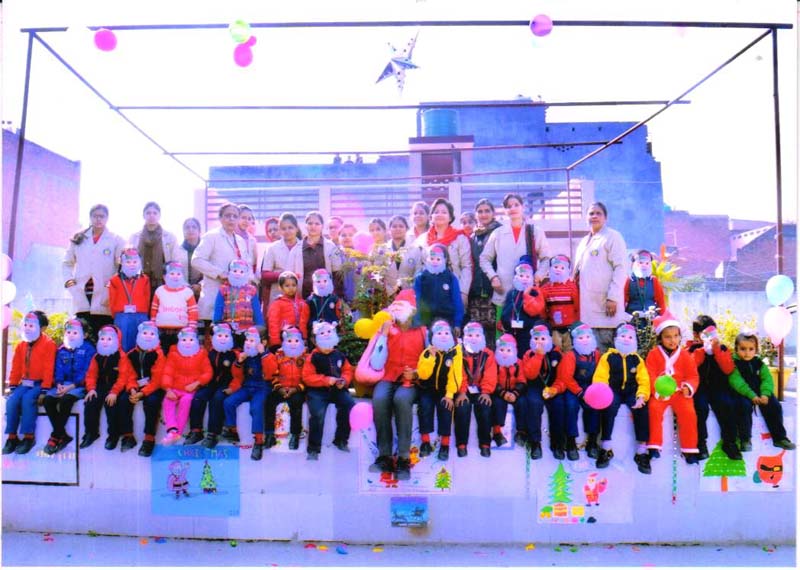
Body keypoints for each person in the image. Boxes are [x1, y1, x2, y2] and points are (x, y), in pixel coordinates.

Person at [367, 290, 427, 479]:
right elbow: (376, 363)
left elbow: (431, 360)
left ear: (412, 310)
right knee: (379, 398)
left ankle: (403, 459)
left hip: (413, 381)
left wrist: (417, 373)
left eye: (402, 306)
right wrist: (383, 336)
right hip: (388, 376)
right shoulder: (387, 328)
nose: (397, 310)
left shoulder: (423, 330)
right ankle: (384, 456)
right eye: (395, 306)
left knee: (401, 399)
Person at [479, 193, 551, 334]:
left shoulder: (534, 232)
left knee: (527, 338)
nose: (512, 208)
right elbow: (484, 258)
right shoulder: (498, 233)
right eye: (508, 206)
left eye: (516, 205)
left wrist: (539, 275)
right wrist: (493, 277)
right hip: (503, 293)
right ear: (504, 210)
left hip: (528, 297)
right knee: (504, 339)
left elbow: (546, 258)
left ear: (522, 207)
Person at [592, 323, 651, 473]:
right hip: (613, 391)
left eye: (630, 337)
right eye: (623, 336)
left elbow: (644, 380)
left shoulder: (637, 359)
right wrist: (603, 392)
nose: (626, 339)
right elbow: (601, 377)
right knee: (609, 408)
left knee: (642, 409)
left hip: (632, 391)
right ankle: (606, 447)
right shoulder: (607, 357)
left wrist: (642, 395)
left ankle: (642, 450)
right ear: (616, 339)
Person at [62, 204, 126, 340]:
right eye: (95, 216)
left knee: (102, 338)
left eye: (102, 216)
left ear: (107, 218)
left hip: (104, 295)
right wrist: (69, 282)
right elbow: (67, 263)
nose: (98, 219)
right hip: (81, 293)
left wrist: (112, 286)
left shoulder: (116, 240)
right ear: (90, 217)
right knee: (82, 337)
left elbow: (121, 266)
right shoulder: (78, 238)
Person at [685, 316, 744, 460]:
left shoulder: (722, 348)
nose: (710, 337)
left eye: (713, 333)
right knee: (700, 407)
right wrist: (702, 350)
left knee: (727, 404)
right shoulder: (691, 349)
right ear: (696, 335)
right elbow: (689, 367)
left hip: (718, 387)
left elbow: (728, 369)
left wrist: (717, 350)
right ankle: (700, 443)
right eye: (706, 334)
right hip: (699, 388)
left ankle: (729, 442)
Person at [645, 313, 700, 464]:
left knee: (688, 412)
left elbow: (693, 375)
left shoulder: (685, 355)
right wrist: (657, 391)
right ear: (660, 338)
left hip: (679, 393)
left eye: (676, 336)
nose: (672, 340)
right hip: (661, 393)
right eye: (668, 337)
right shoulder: (653, 354)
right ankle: (654, 446)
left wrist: (688, 387)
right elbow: (650, 374)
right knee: (654, 410)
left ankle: (689, 449)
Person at [572, 202, 628, 352]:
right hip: (587, 309)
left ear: (605, 218)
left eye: (598, 213)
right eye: (591, 213)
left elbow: (621, 268)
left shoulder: (612, 237)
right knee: (590, 355)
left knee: (608, 355)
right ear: (586, 217)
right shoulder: (584, 242)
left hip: (606, 307)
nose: (594, 216)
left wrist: (613, 297)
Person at [728, 332, 795, 451]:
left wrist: (765, 394)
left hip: (760, 392)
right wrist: (752, 395)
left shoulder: (759, 363)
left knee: (774, 405)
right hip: (742, 393)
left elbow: (767, 379)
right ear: (736, 349)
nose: (747, 353)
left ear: (756, 350)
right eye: (743, 349)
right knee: (743, 406)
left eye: (751, 349)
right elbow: (737, 382)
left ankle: (779, 438)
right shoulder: (733, 364)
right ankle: (745, 439)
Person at [3, 311, 56, 455]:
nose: (27, 328)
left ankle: (28, 437)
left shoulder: (49, 344)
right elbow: (16, 367)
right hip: (25, 383)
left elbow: (49, 368)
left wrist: (45, 389)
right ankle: (12, 437)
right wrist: (13, 385)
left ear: (42, 328)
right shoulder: (21, 345)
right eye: (25, 325)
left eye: (31, 325)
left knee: (28, 400)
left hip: (40, 384)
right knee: (12, 401)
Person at [192, 203, 250, 331]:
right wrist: (219, 273)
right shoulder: (211, 236)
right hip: (213, 296)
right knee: (213, 338)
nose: (231, 219)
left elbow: (247, 266)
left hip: (236, 302)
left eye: (235, 216)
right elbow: (196, 260)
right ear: (220, 218)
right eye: (227, 216)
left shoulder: (240, 241)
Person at [301, 321, 355, 460]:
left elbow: (348, 370)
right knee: (317, 414)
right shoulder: (312, 357)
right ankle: (313, 448)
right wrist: (325, 380)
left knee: (349, 405)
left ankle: (341, 440)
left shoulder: (339, 355)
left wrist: (344, 381)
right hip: (317, 391)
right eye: (322, 336)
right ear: (316, 341)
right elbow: (307, 377)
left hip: (337, 389)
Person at [223, 327, 277, 461]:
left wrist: (263, 354)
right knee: (228, 402)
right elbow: (236, 375)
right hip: (247, 386)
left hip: (262, 387)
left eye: (252, 340)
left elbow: (270, 372)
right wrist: (239, 362)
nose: (248, 343)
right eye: (247, 340)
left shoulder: (269, 355)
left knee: (256, 408)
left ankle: (258, 441)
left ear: (263, 342)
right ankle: (232, 430)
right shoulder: (245, 355)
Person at [43, 318, 94, 455]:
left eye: (75, 333)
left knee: (66, 401)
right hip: (62, 385)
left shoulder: (89, 349)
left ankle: (55, 435)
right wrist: (59, 384)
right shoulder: (61, 350)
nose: (71, 335)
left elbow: (88, 372)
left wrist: (71, 387)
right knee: (48, 400)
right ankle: (62, 434)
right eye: (68, 332)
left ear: (85, 335)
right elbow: (58, 369)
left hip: (79, 386)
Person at [551, 323, 601, 461]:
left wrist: (593, 390)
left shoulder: (597, 355)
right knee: (571, 406)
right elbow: (567, 378)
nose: (585, 340)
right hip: (572, 388)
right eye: (581, 338)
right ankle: (571, 442)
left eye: (587, 337)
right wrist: (580, 392)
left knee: (594, 407)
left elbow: (600, 374)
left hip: (590, 387)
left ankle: (592, 442)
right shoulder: (570, 356)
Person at [81, 325, 135, 451]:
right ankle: (91, 432)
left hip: (115, 386)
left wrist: (114, 392)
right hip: (100, 386)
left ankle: (113, 435)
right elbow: (91, 375)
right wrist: (91, 389)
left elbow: (123, 377)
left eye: (109, 339)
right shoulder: (96, 356)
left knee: (111, 404)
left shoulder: (121, 356)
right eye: (103, 339)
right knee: (90, 401)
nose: (105, 342)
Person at [417, 320, 464, 461]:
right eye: (439, 333)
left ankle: (445, 444)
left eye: (446, 333)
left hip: (445, 390)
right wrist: (430, 358)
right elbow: (423, 374)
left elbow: (455, 375)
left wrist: (449, 395)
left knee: (446, 406)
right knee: (424, 406)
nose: (443, 336)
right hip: (428, 388)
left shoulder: (455, 352)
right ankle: (425, 442)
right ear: (433, 336)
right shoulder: (427, 352)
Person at [415, 198, 472, 311]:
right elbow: (418, 266)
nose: (439, 214)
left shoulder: (460, 238)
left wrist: (463, 292)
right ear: (431, 217)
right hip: (428, 291)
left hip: (453, 291)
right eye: (436, 212)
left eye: (444, 212)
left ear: (450, 217)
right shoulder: (422, 240)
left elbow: (467, 267)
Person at [191, 323, 243, 449]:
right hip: (211, 384)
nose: (222, 338)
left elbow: (239, 376)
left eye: (226, 336)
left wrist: (233, 388)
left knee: (217, 399)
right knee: (198, 397)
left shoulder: (235, 354)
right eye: (219, 335)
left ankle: (213, 434)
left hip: (227, 385)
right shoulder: (210, 352)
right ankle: (196, 431)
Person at [160, 327, 213, 445]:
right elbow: (167, 373)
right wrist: (168, 389)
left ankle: (178, 432)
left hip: (191, 389)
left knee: (186, 402)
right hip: (175, 387)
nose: (187, 343)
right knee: (168, 401)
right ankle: (172, 429)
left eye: (191, 340)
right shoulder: (173, 354)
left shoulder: (202, 354)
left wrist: (197, 383)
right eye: (184, 340)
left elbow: (208, 372)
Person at [125, 320, 167, 457]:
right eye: (145, 333)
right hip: (136, 387)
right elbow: (128, 374)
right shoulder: (130, 354)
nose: (148, 336)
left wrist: (142, 393)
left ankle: (149, 438)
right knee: (123, 400)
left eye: (151, 334)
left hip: (154, 387)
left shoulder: (159, 354)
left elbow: (157, 380)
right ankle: (128, 436)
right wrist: (132, 389)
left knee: (152, 401)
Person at [522, 325, 564, 459]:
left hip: (553, 387)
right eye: (536, 339)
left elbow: (563, 377)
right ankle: (535, 442)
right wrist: (538, 356)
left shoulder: (557, 353)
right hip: (535, 387)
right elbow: (530, 375)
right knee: (534, 403)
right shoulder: (528, 354)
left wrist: (555, 389)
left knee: (559, 405)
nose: (539, 342)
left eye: (543, 339)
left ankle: (557, 443)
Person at [456, 322, 497, 458]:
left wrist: (486, 392)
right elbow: (459, 373)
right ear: (464, 337)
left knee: (485, 407)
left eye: (477, 335)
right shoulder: (458, 353)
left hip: (481, 389)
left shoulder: (488, 354)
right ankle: (461, 444)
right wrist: (462, 391)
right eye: (470, 335)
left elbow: (490, 374)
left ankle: (485, 444)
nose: (473, 338)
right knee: (462, 407)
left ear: (482, 337)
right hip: (463, 390)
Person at [264, 326, 307, 451]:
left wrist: (297, 389)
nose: (293, 344)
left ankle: (295, 435)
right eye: (289, 341)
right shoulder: (278, 356)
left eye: (296, 341)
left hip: (297, 389)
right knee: (269, 402)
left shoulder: (306, 357)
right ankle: (269, 434)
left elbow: (307, 377)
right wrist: (279, 388)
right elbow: (273, 374)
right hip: (281, 388)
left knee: (297, 404)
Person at [467, 198, 502, 351]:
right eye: (480, 211)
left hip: (495, 291)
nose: (483, 214)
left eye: (487, 211)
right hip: (476, 293)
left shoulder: (501, 232)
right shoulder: (473, 236)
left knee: (496, 333)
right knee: (477, 335)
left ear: (493, 213)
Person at [499, 258, 546, 358]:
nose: (524, 279)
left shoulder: (534, 293)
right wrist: (503, 321)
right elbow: (506, 309)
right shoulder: (511, 293)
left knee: (525, 355)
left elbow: (535, 310)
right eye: (521, 276)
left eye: (527, 276)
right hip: (511, 331)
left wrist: (527, 295)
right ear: (516, 277)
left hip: (526, 332)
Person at [292, 211, 343, 299]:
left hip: (326, 298)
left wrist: (336, 297)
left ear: (322, 226)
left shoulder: (332, 247)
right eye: (310, 223)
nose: (313, 226)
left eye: (317, 223)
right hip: (303, 297)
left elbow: (337, 274)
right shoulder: (296, 249)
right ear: (305, 225)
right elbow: (290, 275)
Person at [108, 248, 151, 351]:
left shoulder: (145, 279)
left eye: (135, 262)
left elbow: (147, 297)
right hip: (122, 315)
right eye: (128, 262)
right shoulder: (114, 280)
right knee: (123, 343)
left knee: (141, 343)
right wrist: (115, 314)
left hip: (141, 315)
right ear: (122, 263)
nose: (132, 264)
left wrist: (145, 312)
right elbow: (112, 298)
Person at [151, 261, 199, 353]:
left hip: (182, 332)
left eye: (178, 274)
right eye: (172, 274)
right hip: (162, 331)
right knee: (162, 353)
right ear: (164, 277)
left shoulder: (188, 292)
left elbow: (193, 311)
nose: (175, 276)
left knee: (179, 354)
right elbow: (154, 309)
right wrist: (153, 325)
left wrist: (192, 328)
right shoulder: (159, 291)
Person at [129, 202, 179, 292]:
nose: (151, 216)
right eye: (148, 213)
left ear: (159, 216)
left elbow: (175, 261)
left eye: (155, 213)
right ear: (143, 215)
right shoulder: (134, 237)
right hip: (139, 280)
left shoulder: (170, 237)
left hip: (162, 282)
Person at [413, 243, 464, 330]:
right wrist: (417, 320)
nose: (434, 261)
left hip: (447, 320)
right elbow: (416, 300)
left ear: (445, 259)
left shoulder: (451, 278)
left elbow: (457, 301)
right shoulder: (421, 277)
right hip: (426, 321)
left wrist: (457, 323)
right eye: (432, 258)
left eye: (438, 259)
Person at [260, 212, 303, 315]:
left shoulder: (304, 247)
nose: (287, 231)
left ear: (297, 228)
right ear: (280, 230)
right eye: (283, 228)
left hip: (300, 295)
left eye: (290, 227)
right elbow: (265, 274)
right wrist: (284, 275)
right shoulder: (272, 248)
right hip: (277, 295)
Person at [213, 258, 265, 339]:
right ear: (229, 272)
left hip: (248, 329)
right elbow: (218, 307)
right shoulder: (223, 289)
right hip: (227, 329)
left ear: (246, 274)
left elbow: (256, 309)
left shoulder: (252, 290)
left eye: (241, 272)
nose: (238, 274)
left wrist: (260, 325)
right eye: (235, 271)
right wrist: (216, 322)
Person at [491, 334, 528, 449]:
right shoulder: (494, 363)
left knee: (522, 402)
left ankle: (521, 431)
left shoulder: (519, 363)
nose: (505, 353)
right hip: (499, 392)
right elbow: (492, 380)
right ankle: (497, 431)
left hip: (515, 392)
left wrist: (515, 393)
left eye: (508, 350)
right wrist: (503, 393)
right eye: (502, 350)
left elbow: (522, 380)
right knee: (497, 403)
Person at [539, 254, 580, 351]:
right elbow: (542, 310)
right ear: (550, 269)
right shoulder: (545, 289)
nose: (558, 270)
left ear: (568, 270)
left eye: (562, 268)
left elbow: (577, 307)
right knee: (556, 352)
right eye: (556, 267)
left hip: (570, 328)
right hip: (554, 329)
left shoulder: (573, 287)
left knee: (570, 353)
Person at [267, 271, 310, 351]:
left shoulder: (302, 303)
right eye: (287, 285)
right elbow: (273, 323)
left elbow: (303, 322)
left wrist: (304, 337)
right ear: (280, 287)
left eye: (293, 285)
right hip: (283, 338)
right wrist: (275, 342)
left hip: (298, 339)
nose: (291, 288)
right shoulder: (277, 304)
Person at [383, 215, 423, 297]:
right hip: (387, 296)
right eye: (394, 226)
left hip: (409, 295)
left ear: (407, 229)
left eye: (401, 226)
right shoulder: (382, 250)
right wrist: (389, 291)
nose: (397, 229)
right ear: (389, 230)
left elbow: (418, 273)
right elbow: (379, 274)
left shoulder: (415, 250)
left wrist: (410, 291)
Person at [624, 249, 666, 316]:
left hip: (650, 316)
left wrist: (660, 316)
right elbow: (623, 300)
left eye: (647, 263)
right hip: (632, 316)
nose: (644, 266)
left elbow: (661, 301)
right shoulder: (629, 280)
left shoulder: (654, 280)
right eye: (640, 263)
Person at [305, 268, 343, 342]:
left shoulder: (335, 299)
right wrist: (312, 324)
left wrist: (336, 322)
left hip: (332, 330)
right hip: (316, 332)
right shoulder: (310, 300)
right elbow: (305, 318)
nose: (322, 284)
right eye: (318, 281)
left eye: (325, 281)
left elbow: (340, 315)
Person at [174, 217, 204, 301]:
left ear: (199, 231)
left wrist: (200, 285)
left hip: (203, 292)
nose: (191, 230)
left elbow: (209, 272)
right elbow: (175, 271)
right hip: (181, 292)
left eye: (194, 227)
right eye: (187, 227)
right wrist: (185, 286)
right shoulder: (177, 250)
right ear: (183, 231)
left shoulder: (205, 250)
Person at [236, 204, 260, 271]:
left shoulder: (252, 240)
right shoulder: (230, 236)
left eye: (249, 219)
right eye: (243, 217)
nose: (246, 221)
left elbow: (254, 263)